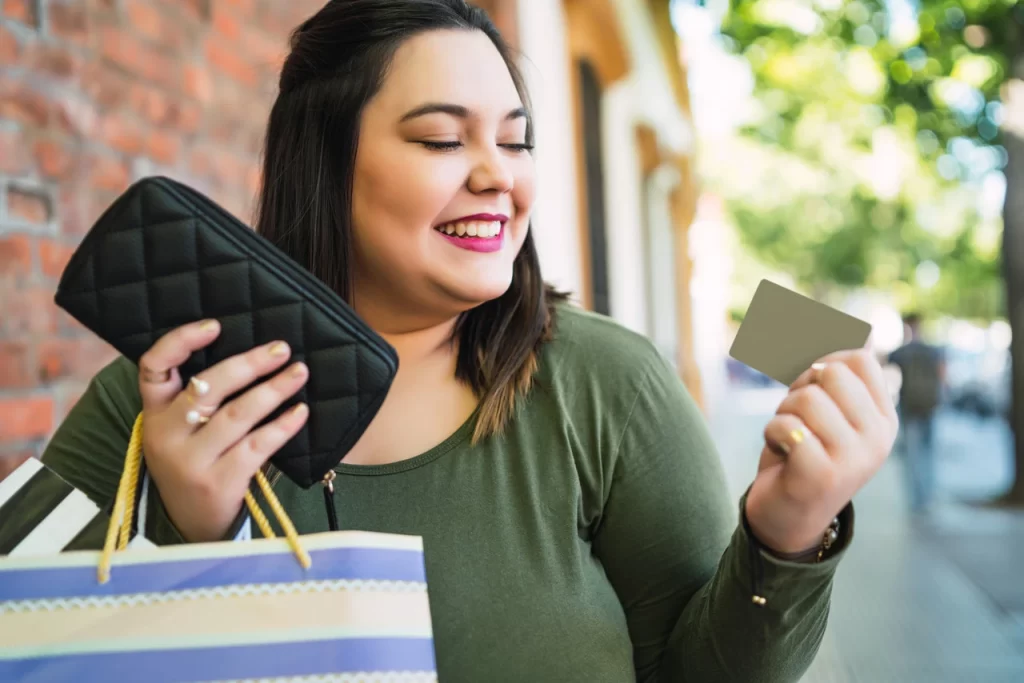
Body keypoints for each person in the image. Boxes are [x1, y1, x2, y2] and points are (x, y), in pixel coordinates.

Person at [41, 1, 898, 680]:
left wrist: (788, 529)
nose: (498, 174)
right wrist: (190, 543)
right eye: (443, 138)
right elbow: (44, 655)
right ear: (325, 162)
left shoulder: (608, 384)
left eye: (516, 139)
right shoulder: (154, 399)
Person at [887, 312, 945, 514]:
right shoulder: (933, 351)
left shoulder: (901, 352)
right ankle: (927, 496)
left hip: (910, 407)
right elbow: (943, 375)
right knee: (928, 452)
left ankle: (917, 499)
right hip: (929, 405)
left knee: (913, 454)